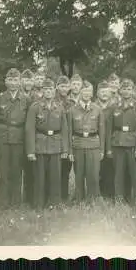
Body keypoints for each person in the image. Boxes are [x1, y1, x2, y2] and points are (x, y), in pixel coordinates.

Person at [25, 78, 69, 210]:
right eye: (45, 89)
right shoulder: (35, 107)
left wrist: (65, 149)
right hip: (40, 145)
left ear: (54, 91)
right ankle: (39, 203)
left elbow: (64, 129)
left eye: (50, 89)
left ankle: (54, 203)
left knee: (55, 176)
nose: (48, 92)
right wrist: (31, 151)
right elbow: (29, 129)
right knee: (40, 176)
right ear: (42, 91)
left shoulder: (59, 107)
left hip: (55, 145)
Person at [0, 68, 30, 209]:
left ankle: (16, 201)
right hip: (3, 137)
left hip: (19, 137)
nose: (13, 83)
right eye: (10, 80)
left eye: (16, 80)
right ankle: (4, 201)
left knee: (17, 169)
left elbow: (29, 122)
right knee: (3, 169)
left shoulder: (26, 99)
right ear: (5, 81)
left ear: (20, 82)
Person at [106, 78, 136, 207]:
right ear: (120, 90)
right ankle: (119, 200)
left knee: (135, 175)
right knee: (118, 174)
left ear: (133, 91)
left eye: (129, 89)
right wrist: (109, 148)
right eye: (124, 89)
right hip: (117, 143)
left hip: (133, 144)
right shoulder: (114, 107)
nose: (126, 91)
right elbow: (109, 128)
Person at [68, 81, 106, 202]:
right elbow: (69, 132)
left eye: (89, 91)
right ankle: (79, 199)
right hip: (78, 145)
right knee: (79, 174)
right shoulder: (72, 110)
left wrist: (102, 149)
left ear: (92, 93)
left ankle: (93, 199)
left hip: (93, 145)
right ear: (80, 92)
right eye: (84, 91)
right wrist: (69, 151)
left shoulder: (97, 109)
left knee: (93, 175)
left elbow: (102, 131)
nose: (86, 94)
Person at [54, 75, 73, 203]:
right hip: (55, 138)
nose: (64, 89)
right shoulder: (52, 101)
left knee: (66, 169)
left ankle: (64, 197)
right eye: (61, 86)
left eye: (66, 86)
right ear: (56, 87)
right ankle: (54, 196)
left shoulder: (72, 103)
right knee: (54, 169)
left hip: (68, 139)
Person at [96, 80, 115, 200]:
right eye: (101, 92)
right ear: (97, 93)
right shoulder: (94, 106)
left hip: (111, 142)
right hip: (96, 142)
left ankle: (110, 194)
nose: (104, 94)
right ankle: (98, 194)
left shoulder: (114, 107)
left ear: (110, 93)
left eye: (106, 92)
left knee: (110, 169)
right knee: (97, 169)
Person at [20, 69, 36, 207]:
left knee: (32, 167)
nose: (28, 83)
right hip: (19, 134)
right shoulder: (18, 95)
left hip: (33, 135)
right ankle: (20, 195)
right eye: (25, 80)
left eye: (30, 80)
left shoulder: (37, 96)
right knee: (18, 165)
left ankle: (30, 196)